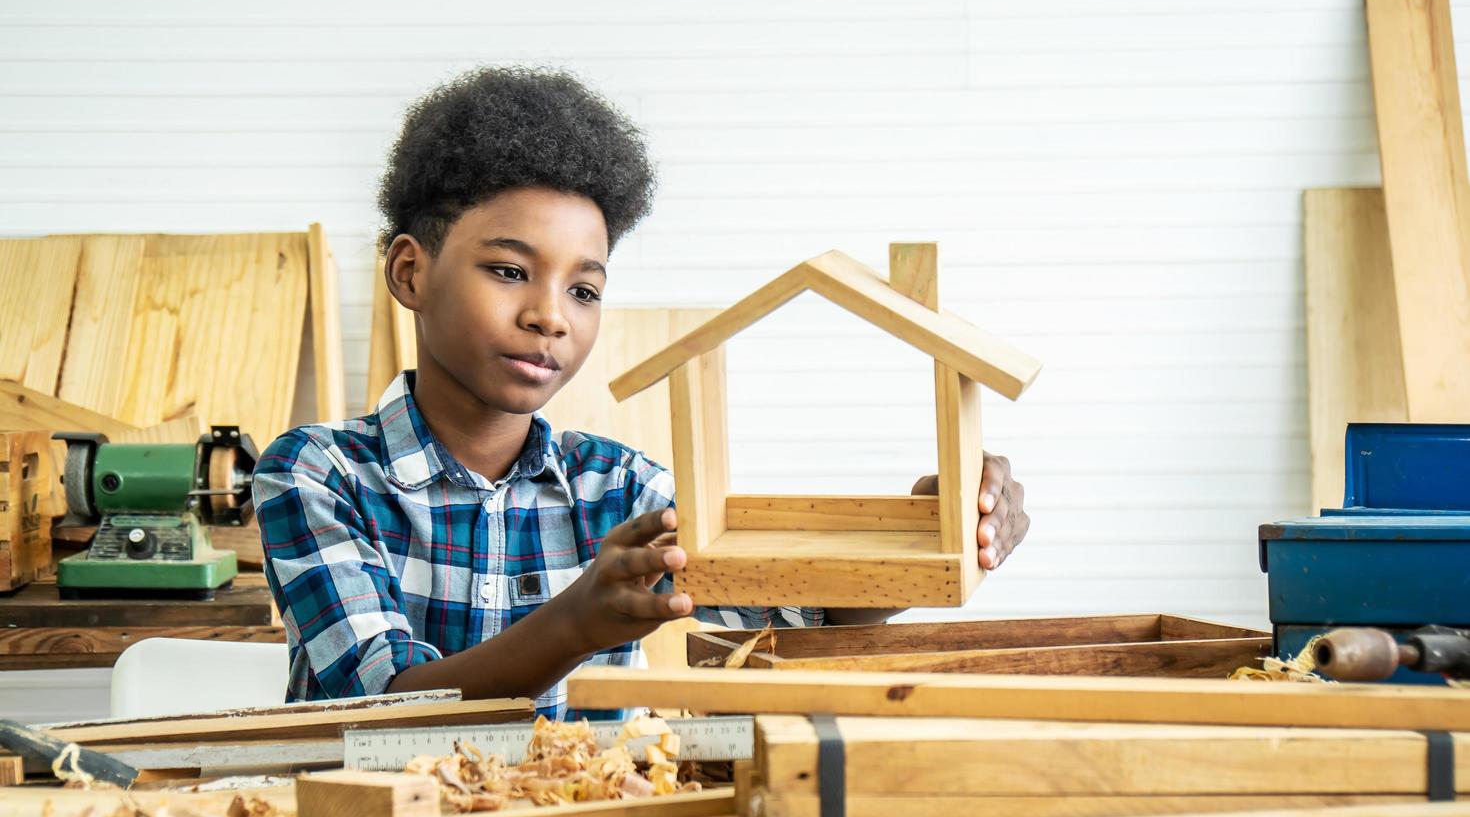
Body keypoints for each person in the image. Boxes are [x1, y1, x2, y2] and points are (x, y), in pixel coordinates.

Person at [252, 66, 1030, 715]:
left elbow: (796, 618)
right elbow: (379, 706)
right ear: (410, 272)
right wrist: (574, 624)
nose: (548, 316)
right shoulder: (319, 473)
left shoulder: (621, 489)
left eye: (584, 290)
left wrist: (931, 532)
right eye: (510, 271)